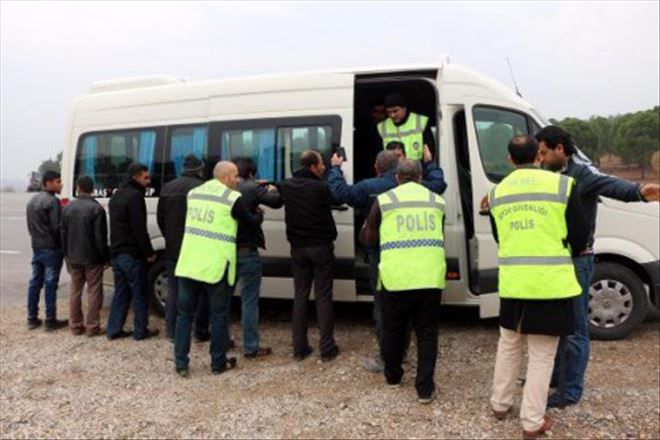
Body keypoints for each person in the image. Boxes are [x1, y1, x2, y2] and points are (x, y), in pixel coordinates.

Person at [535, 125, 660, 408]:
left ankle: (570, 391)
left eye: (544, 152)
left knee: (576, 328)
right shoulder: (544, 174)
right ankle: (555, 377)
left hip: (578, 261)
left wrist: (640, 191)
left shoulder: (582, 174)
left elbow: (613, 186)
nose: (540, 158)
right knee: (556, 323)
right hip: (553, 260)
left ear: (560, 149)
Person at [488, 135, 588, 438]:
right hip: (549, 285)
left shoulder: (496, 192)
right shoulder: (562, 186)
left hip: (513, 283)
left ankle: (500, 404)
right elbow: (580, 238)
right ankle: (532, 421)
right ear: (539, 155)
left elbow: (499, 236)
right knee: (542, 355)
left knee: (509, 344)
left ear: (509, 159)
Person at [328, 147, 447, 373]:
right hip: (413, 254)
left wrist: (335, 168)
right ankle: (402, 354)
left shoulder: (369, 187)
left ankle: (387, 359)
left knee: (384, 308)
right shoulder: (423, 188)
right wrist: (430, 163)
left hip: (380, 255)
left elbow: (339, 193)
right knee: (411, 310)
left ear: (377, 167)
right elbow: (439, 184)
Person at [359, 159, 446, 404]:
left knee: (394, 329)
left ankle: (393, 376)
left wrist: (366, 226)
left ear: (397, 177)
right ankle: (425, 389)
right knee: (427, 333)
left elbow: (368, 239)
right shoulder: (437, 201)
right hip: (429, 276)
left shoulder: (385, 201)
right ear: (420, 177)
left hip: (396, 278)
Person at [173, 161, 263, 377]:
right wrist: (259, 215)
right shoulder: (232, 198)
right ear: (223, 177)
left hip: (190, 262)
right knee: (219, 316)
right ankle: (218, 363)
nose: (237, 180)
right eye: (234, 176)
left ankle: (181, 364)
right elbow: (250, 222)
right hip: (216, 265)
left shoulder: (194, 194)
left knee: (184, 316)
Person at [279, 150, 339, 362]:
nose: (323, 167)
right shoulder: (320, 187)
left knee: (300, 296)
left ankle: (300, 348)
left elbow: (277, 198)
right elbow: (337, 197)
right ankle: (327, 348)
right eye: (321, 164)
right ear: (313, 166)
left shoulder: (286, 185)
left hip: (298, 248)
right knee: (323, 297)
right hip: (321, 247)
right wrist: (336, 170)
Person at [233, 157, 284, 358]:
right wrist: (270, 187)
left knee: (221, 301)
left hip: (223, 250)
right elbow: (277, 202)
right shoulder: (251, 187)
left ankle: (221, 342)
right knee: (249, 301)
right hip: (246, 251)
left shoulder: (222, 189)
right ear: (252, 173)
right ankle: (250, 347)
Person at [156, 154, 208, 343]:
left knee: (174, 289)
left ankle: (171, 330)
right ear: (199, 169)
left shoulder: (168, 187)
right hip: (197, 247)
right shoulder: (203, 188)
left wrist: (169, 237)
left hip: (173, 248)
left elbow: (160, 218)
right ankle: (199, 330)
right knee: (201, 290)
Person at [106, 163, 159, 341]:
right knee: (139, 293)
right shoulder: (135, 197)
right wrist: (148, 252)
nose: (148, 181)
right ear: (135, 177)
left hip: (116, 253)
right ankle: (140, 330)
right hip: (131, 254)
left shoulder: (117, 195)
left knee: (121, 292)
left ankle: (113, 329)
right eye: (145, 177)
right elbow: (139, 230)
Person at [61, 175, 109, 336]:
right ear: (93, 189)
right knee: (94, 291)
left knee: (75, 290)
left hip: (73, 256)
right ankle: (92, 327)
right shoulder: (97, 209)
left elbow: (63, 235)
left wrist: (66, 254)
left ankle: (75, 325)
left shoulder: (67, 208)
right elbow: (100, 238)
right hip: (92, 258)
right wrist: (105, 257)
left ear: (77, 188)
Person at [25, 170, 68, 331]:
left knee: (35, 283)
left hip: (37, 247)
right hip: (51, 248)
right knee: (50, 284)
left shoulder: (32, 201)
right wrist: (63, 247)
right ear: (48, 183)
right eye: (58, 181)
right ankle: (50, 319)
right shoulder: (53, 202)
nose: (61, 184)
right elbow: (57, 228)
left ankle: (32, 317)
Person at [377, 93, 436, 160]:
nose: (392, 115)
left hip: (417, 168)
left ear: (404, 108)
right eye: (389, 112)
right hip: (392, 169)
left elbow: (430, 151)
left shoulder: (421, 122)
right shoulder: (382, 127)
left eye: (395, 111)